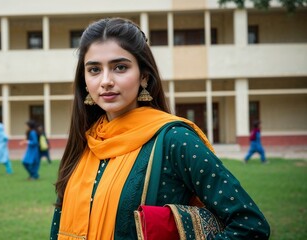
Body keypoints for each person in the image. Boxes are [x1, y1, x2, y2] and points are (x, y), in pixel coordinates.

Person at [50, 18, 270, 239]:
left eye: (120, 67)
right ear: (85, 81)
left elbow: (250, 225)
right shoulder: (86, 142)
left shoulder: (175, 139)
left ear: (143, 76)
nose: (105, 81)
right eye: (95, 70)